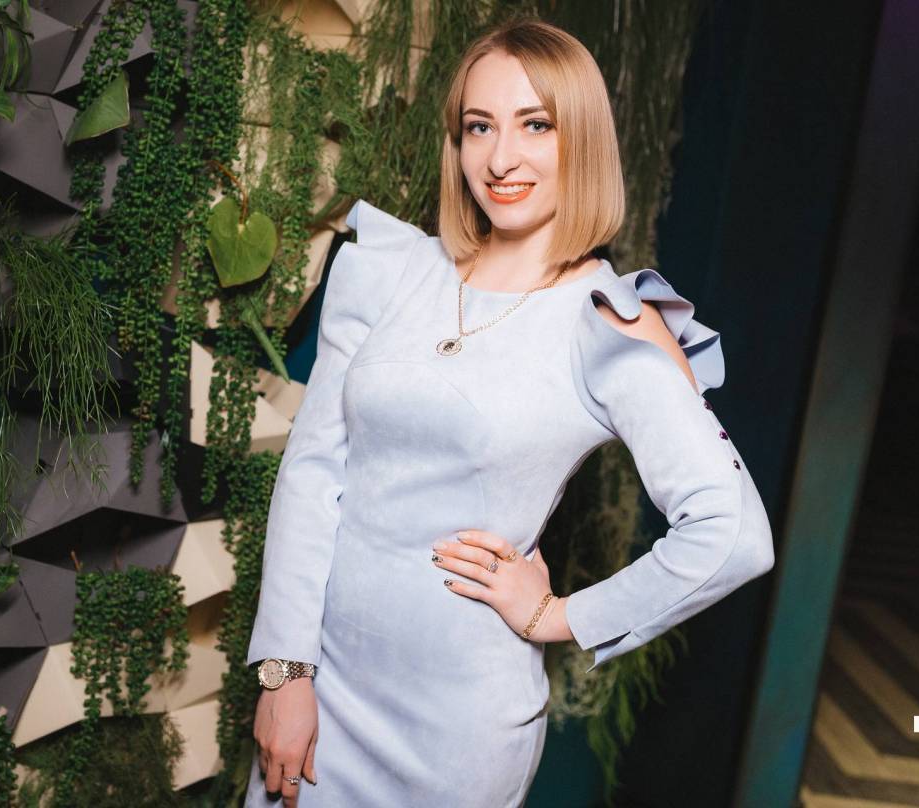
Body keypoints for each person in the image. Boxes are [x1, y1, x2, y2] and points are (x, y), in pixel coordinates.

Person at [243, 17, 774, 808]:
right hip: (318, 692)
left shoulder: (608, 321)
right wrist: (285, 672)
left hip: (456, 733)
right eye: (478, 126)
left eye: (535, 125)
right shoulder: (390, 272)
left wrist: (559, 615)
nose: (500, 159)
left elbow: (732, 533)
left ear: (581, 140)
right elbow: (314, 469)